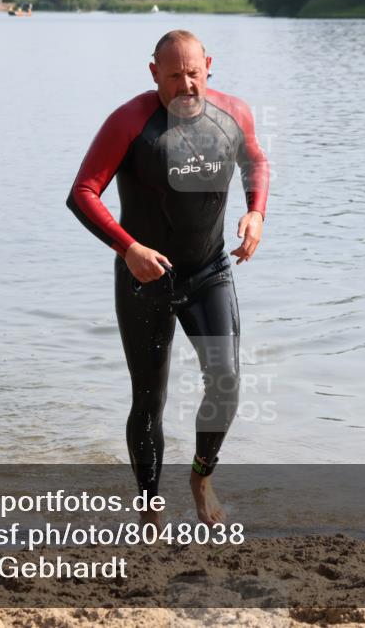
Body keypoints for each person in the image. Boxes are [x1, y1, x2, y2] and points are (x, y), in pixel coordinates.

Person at [67, 30, 270, 526]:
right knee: (149, 399)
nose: (185, 85)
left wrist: (256, 212)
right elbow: (83, 192)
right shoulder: (130, 121)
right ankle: (150, 505)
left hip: (209, 272)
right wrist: (128, 247)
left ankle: (201, 477)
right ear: (154, 72)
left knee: (226, 384)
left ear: (209, 67)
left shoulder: (234, 113)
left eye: (193, 73)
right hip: (146, 277)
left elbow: (257, 160)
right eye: (174, 75)